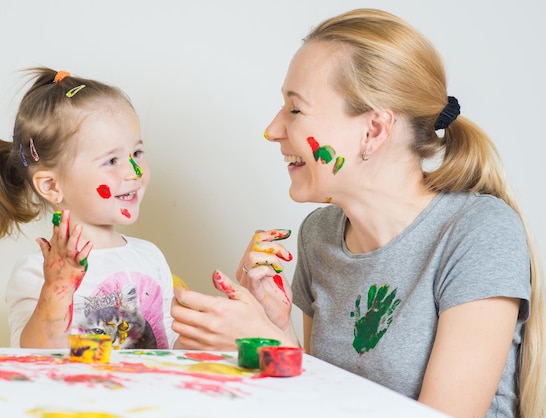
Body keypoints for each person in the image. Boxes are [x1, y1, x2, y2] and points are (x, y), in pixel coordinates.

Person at [170, 8, 545, 418]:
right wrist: (278, 333)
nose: (273, 129)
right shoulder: (320, 234)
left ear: (374, 130)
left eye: (295, 110)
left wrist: (267, 345)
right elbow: (321, 400)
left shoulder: (477, 232)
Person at [0, 67, 178, 350]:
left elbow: (171, 347)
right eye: (111, 160)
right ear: (51, 186)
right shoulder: (37, 273)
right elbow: (34, 356)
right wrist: (56, 289)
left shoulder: (150, 257)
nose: (134, 171)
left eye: (136, 153)